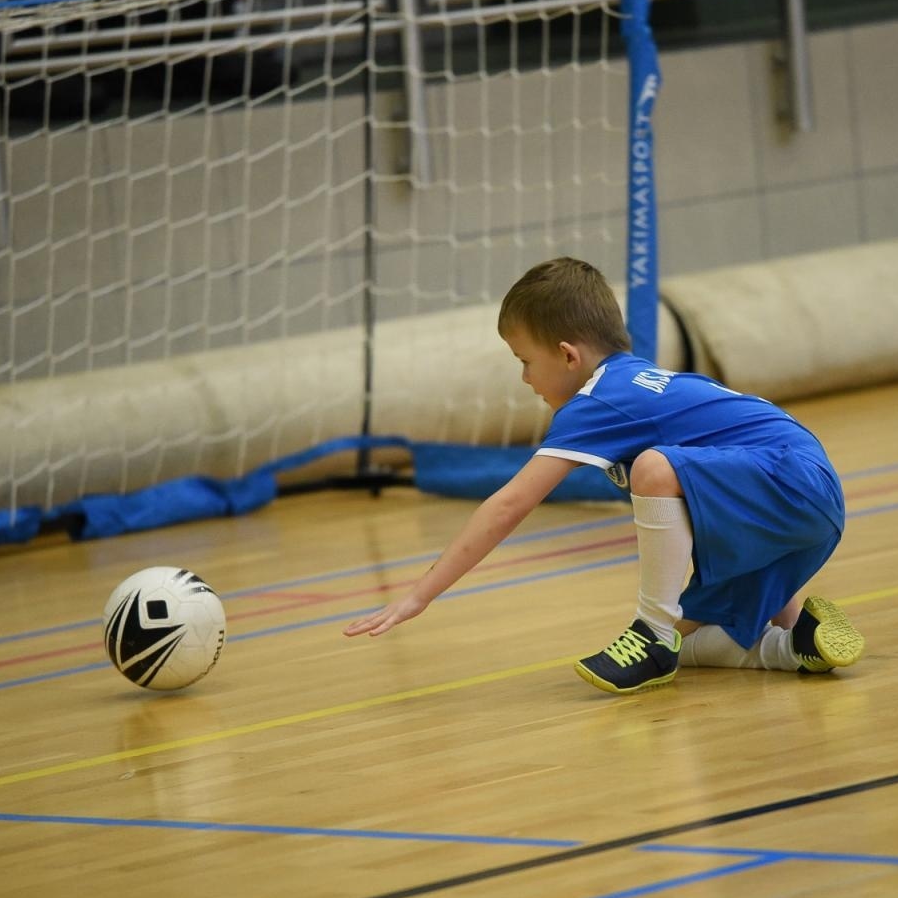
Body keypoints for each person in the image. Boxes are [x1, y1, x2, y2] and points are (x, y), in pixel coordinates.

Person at [343, 256, 863, 694]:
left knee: (654, 469)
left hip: (791, 482)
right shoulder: (637, 377)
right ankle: (795, 644)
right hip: (804, 503)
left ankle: (651, 633)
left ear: (568, 355)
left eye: (525, 361)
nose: (524, 378)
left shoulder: (599, 400)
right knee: (694, 641)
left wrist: (420, 594)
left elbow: (509, 504)